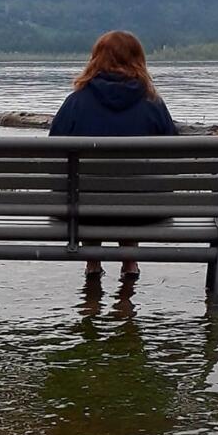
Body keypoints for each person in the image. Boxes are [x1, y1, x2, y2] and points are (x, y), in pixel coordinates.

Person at [49, 30, 177, 280]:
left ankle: (93, 264)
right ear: (138, 60)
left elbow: (54, 153)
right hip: (143, 211)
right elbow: (172, 159)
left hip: (82, 209)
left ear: (95, 59)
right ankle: (130, 263)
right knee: (131, 188)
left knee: (86, 189)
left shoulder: (76, 102)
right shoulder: (153, 103)